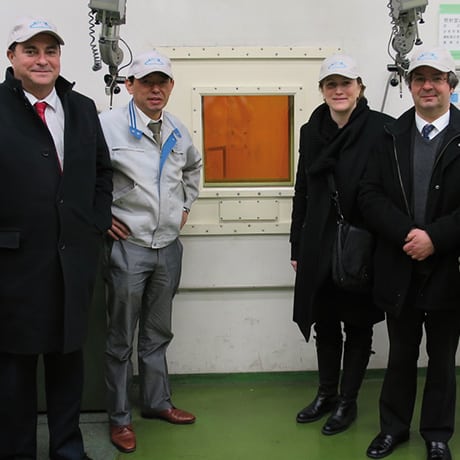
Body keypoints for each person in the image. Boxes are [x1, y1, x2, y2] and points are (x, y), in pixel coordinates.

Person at [0, 16, 113, 460]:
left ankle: (67, 448)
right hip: (15, 264)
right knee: (16, 367)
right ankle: (16, 450)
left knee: (69, 359)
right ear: (12, 58)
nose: (42, 59)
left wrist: (96, 221)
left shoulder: (82, 107)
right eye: (31, 50)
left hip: (74, 261)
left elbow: (102, 172)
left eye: (50, 51)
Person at [359, 46, 460, 460]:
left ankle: (437, 433)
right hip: (399, 264)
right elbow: (368, 194)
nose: (428, 86)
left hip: (449, 266)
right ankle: (393, 429)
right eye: (420, 79)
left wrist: (435, 237)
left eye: (436, 78)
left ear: (450, 85)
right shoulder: (390, 135)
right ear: (412, 86)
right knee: (400, 354)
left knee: (441, 358)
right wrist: (409, 234)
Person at [99, 49, 202, 454]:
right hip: (128, 246)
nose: (155, 89)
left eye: (162, 82)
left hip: (167, 248)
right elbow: (82, 175)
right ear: (130, 86)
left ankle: (158, 403)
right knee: (121, 338)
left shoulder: (178, 130)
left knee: (157, 333)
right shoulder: (107, 126)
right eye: (146, 82)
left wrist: (185, 206)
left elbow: (193, 169)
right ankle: (120, 419)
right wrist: (100, 215)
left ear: (171, 86)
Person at [290, 54, 392, 436]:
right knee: (326, 322)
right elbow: (302, 190)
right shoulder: (310, 129)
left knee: (359, 325)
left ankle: (348, 402)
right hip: (318, 241)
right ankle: (326, 394)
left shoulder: (383, 128)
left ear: (360, 87)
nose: (338, 90)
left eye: (345, 83)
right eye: (331, 84)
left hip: (361, 244)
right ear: (321, 90)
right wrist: (296, 246)